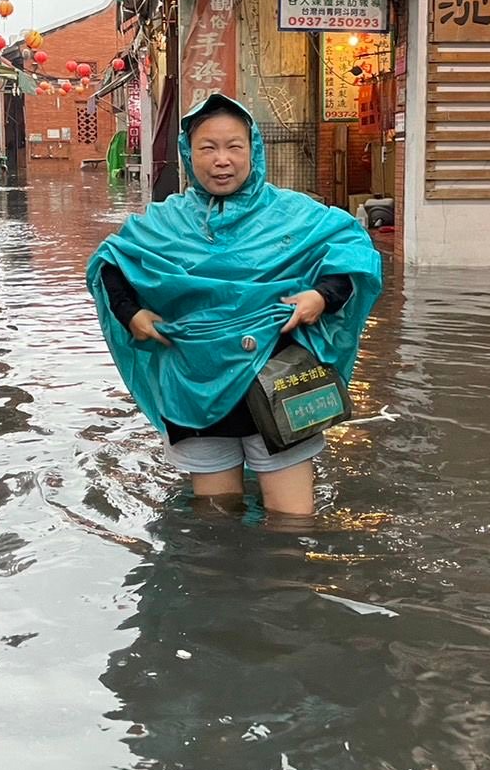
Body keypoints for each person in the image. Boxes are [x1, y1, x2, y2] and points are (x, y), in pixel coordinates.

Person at [88, 93, 382, 517]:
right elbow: (110, 263)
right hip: (196, 380)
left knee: (292, 521)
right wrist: (130, 313)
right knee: (215, 522)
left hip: (280, 378)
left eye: (233, 147)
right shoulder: (163, 222)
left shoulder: (296, 215)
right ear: (190, 154)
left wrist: (322, 296)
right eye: (208, 148)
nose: (221, 160)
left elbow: (353, 255)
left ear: (253, 150)